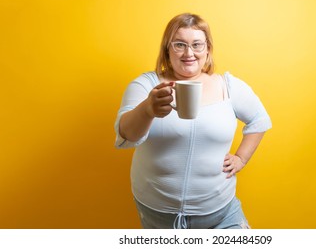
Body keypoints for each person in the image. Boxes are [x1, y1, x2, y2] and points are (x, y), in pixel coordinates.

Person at [114, 13, 272, 229]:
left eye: (197, 44)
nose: (189, 53)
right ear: (167, 49)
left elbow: (259, 120)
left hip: (220, 211)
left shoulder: (229, 86)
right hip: (157, 214)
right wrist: (147, 109)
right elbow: (126, 135)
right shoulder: (146, 85)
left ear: (207, 49)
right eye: (179, 44)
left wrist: (241, 158)